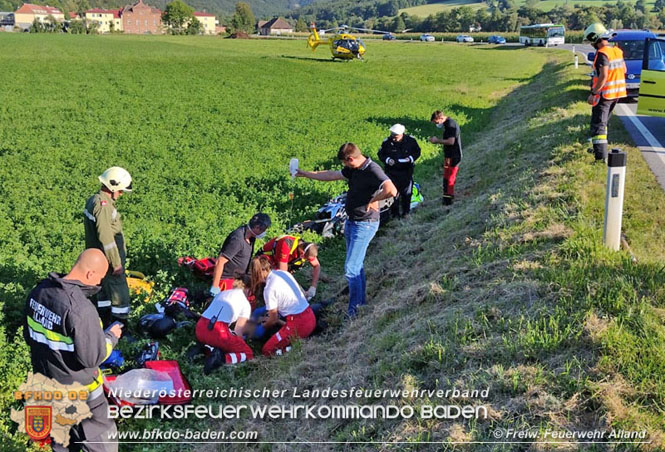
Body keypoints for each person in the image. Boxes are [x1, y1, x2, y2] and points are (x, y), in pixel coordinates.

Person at [23, 249, 122, 452]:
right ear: (90, 275)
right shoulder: (81, 309)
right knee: (102, 444)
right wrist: (111, 336)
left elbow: (29, 336)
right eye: (100, 279)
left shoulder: (39, 292)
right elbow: (93, 357)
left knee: (61, 443)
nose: (98, 285)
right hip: (83, 396)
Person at [297, 142, 397, 317]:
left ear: (350, 159)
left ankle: (354, 311)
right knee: (356, 266)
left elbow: (391, 190)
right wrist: (305, 174)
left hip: (365, 224)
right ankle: (360, 302)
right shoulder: (354, 169)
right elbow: (331, 175)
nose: (344, 166)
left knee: (351, 267)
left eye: (344, 162)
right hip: (352, 222)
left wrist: (373, 199)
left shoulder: (373, 169)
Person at [84, 166, 132, 328]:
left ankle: (102, 324)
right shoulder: (103, 206)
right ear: (112, 187)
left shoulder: (94, 200)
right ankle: (120, 329)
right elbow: (106, 237)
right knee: (120, 294)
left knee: (103, 292)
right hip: (108, 260)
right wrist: (116, 263)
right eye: (120, 191)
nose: (121, 194)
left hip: (99, 258)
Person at [249, 256, 316, 356]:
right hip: (309, 315)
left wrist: (263, 324)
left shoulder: (269, 289)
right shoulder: (282, 273)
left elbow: (273, 319)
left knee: (267, 350)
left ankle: (293, 348)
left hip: (298, 324)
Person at [584, 23, 627, 162]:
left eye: (591, 42)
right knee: (604, 122)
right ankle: (599, 149)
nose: (591, 44)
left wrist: (594, 93)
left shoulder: (602, 54)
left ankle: (600, 157)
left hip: (605, 94)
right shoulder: (616, 51)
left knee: (598, 125)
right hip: (617, 94)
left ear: (595, 39)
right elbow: (624, 70)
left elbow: (603, 76)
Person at [196, 277, 253, 373]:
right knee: (247, 353)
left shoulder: (222, 293)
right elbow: (238, 332)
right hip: (218, 331)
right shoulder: (245, 304)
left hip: (200, 326)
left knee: (218, 339)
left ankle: (203, 349)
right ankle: (222, 359)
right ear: (248, 289)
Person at [209, 213, 272, 297]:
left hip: (239, 277)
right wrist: (215, 286)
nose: (264, 233)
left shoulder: (251, 237)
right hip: (227, 278)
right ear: (257, 227)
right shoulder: (237, 239)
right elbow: (220, 261)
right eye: (263, 230)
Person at [377, 123, 421, 218]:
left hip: (406, 172)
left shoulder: (411, 141)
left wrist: (410, 158)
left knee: (407, 193)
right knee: (393, 194)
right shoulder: (387, 142)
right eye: (392, 136)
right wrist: (388, 160)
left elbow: (417, 152)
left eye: (396, 137)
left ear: (402, 134)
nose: (394, 138)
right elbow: (381, 154)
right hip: (392, 172)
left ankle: (406, 213)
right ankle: (395, 214)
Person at [259, 235, 321, 300]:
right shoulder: (286, 244)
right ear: (302, 254)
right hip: (265, 262)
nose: (308, 261)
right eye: (307, 259)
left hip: (280, 264)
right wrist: (299, 291)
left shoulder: (307, 249)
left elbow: (317, 266)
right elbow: (283, 274)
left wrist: (313, 287)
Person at [429, 111, 463, 206]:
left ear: (440, 118)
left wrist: (437, 141)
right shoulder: (447, 124)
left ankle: (449, 201)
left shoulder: (450, 125)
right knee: (446, 178)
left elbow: (451, 141)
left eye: (436, 122)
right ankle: (445, 198)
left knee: (450, 179)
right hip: (449, 155)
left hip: (454, 156)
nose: (436, 125)